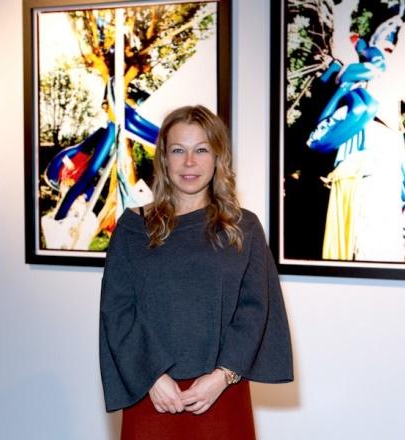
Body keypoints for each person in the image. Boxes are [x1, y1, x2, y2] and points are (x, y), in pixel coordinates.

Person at [99, 105, 294, 439]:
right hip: (151, 393)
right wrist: (152, 376)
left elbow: (255, 309)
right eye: (179, 150)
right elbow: (117, 312)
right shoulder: (132, 228)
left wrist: (222, 376)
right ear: (164, 159)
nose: (189, 162)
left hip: (221, 394)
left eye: (201, 150)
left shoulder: (243, 228)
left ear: (218, 157)